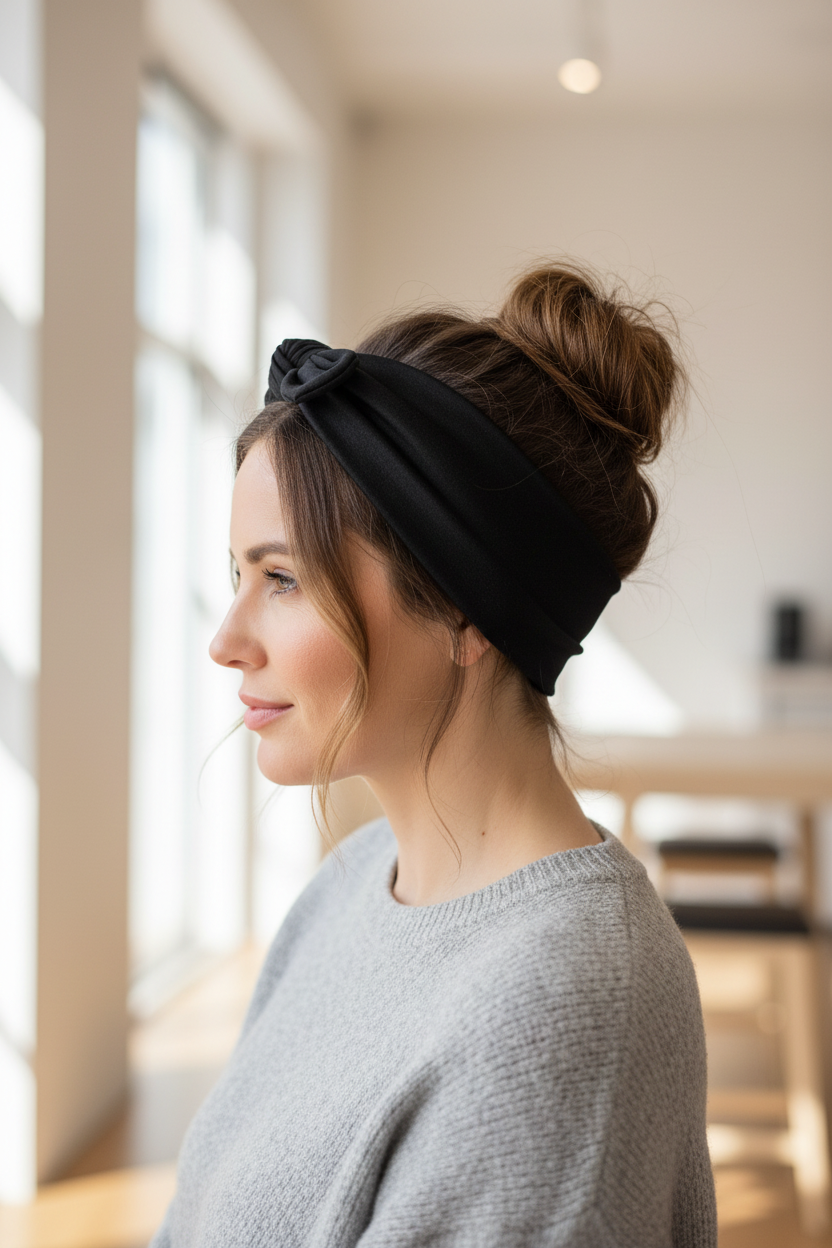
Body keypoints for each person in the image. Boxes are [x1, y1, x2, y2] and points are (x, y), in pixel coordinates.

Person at [150, 263, 717, 1247]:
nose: (226, 640)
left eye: (282, 579)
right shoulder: (355, 882)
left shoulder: (564, 1007)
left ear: (465, 608)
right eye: (238, 574)